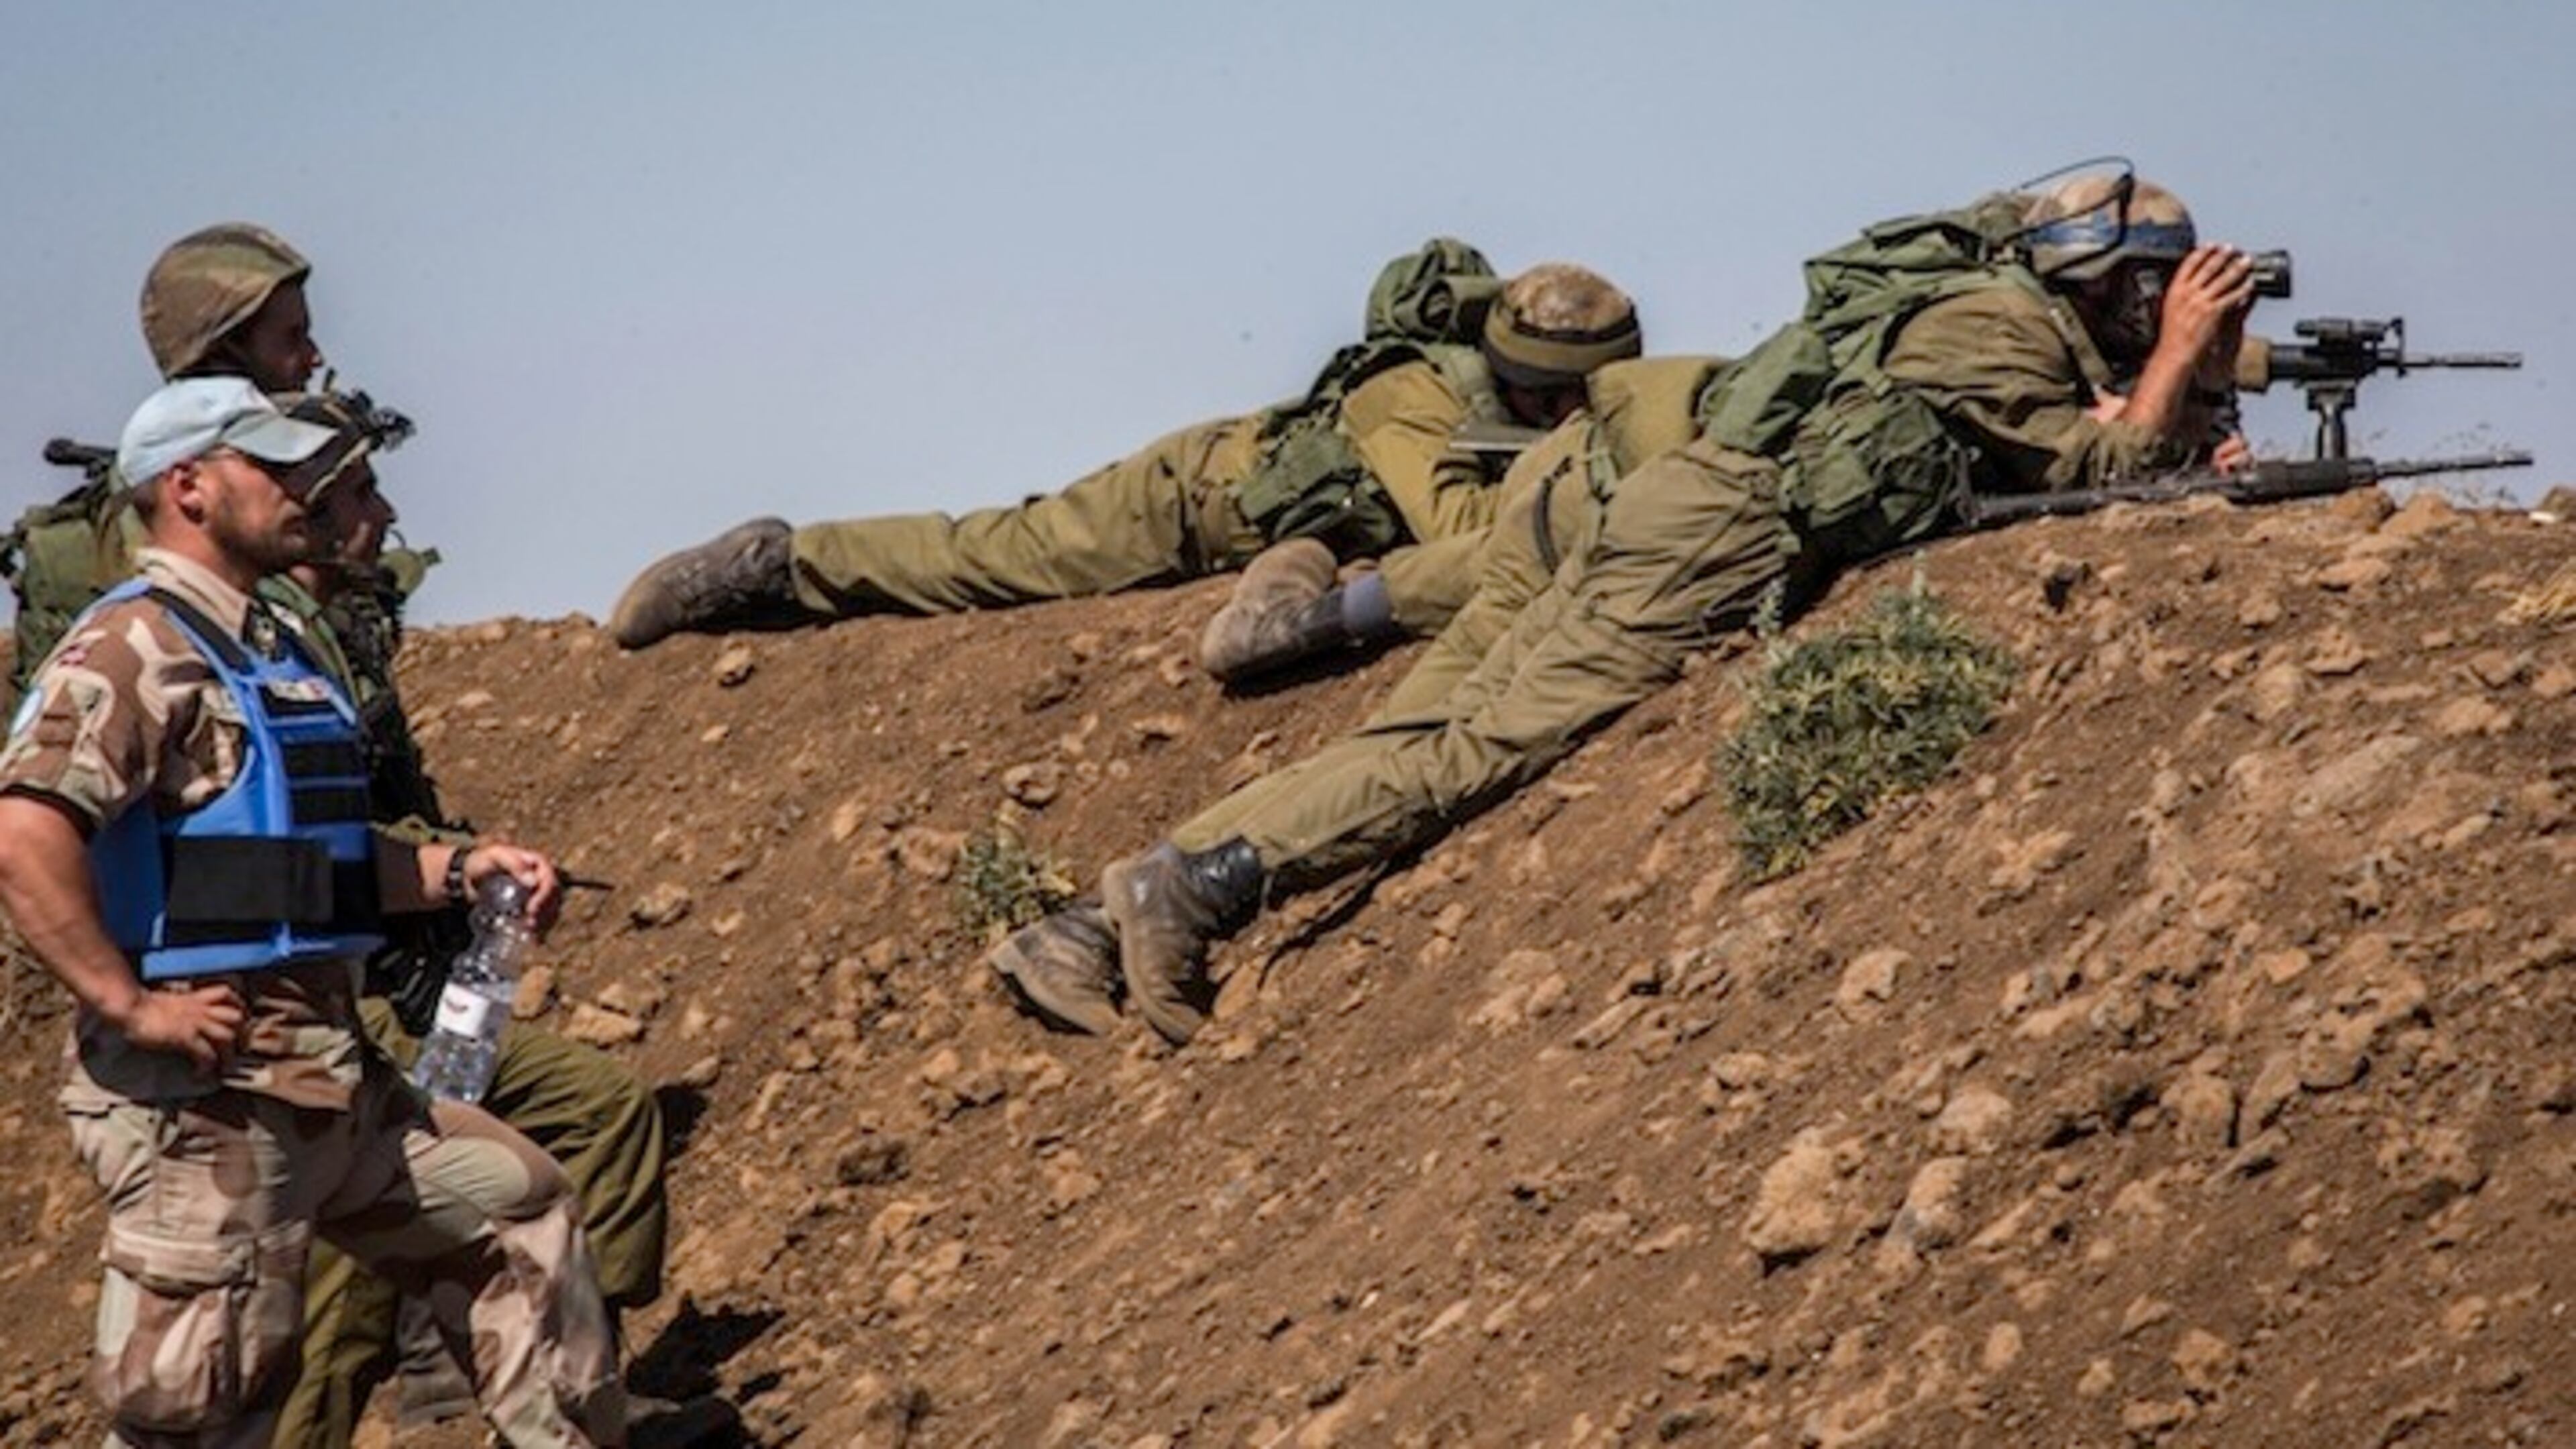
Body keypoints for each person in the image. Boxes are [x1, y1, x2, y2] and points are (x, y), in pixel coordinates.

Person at [994, 172, 2255, 1046]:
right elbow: (2106, 476)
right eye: (2159, 290)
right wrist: (2179, 372)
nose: (2167, 307)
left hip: (1659, 505)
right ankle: (1205, 885)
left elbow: (2048, 458)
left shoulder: (1972, 311)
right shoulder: (1994, 329)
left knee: (1429, 730)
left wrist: (2182, 399)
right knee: (1477, 750)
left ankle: (1109, 914)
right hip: (1707, 537)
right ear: (2114, 288)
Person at [0, 378, 624, 1447]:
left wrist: (454, 869)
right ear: (189, 487)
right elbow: (22, 834)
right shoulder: (132, 647)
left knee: (517, 1212)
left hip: (329, 1081)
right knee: (204, 1408)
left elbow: (303, 860)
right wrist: (129, 1004)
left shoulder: (264, 648)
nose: (305, 492)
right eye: (275, 469)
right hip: (210, 1103)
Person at [249, 395, 700, 1447]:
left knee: (603, 1117)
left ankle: (574, 1397)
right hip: (327, 1011)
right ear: (303, 512)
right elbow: (306, 846)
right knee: (343, 1293)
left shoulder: (344, 639)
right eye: (359, 493)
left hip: (408, 984)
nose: (386, 512)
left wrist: (464, 874)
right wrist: (448, 870)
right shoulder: (265, 654)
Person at [605, 248, 1643, 649]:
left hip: (1290, 529)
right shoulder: (1412, 397)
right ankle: (778, 563)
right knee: (995, 557)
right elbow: (1462, 529)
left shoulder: (1515, 408)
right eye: (1556, 399)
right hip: (1191, 496)